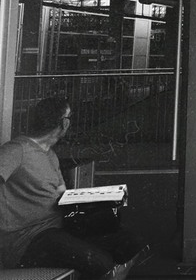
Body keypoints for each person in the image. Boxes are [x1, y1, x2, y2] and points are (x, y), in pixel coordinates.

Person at [0, 97, 147, 279]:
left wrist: (98, 200)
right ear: (64, 123)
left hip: (59, 227)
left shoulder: (50, 155)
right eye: (69, 117)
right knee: (101, 263)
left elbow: (63, 196)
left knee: (132, 243)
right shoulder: (16, 150)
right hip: (27, 239)